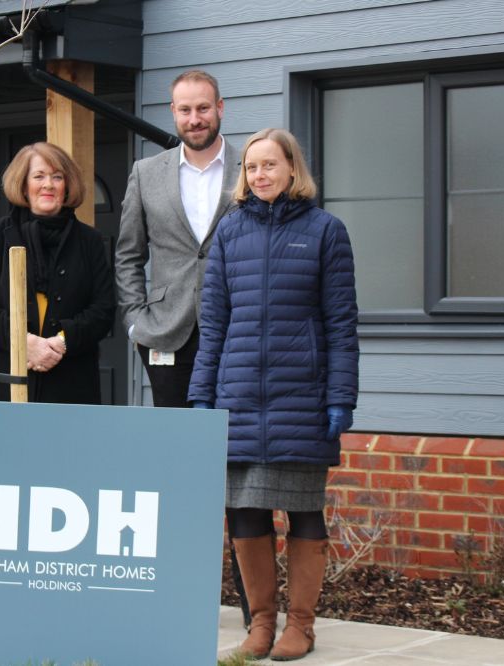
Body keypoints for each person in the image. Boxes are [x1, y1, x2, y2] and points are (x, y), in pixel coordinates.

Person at [188, 128, 359, 661]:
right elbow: (212, 324)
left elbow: (341, 324)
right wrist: (200, 398)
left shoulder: (326, 231)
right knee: (244, 512)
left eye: (270, 165)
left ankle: (301, 626)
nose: (260, 175)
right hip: (237, 396)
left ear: (292, 169)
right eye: (252, 168)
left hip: (301, 397)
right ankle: (261, 623)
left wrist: (340, 397)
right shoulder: (229, 234)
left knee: (304, 512)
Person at [115, 69, 241, 408]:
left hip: (237, 330)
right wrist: (135, 323)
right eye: (185, 110)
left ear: (220, 108)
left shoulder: (248, 169)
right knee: (176, 441)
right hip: (167, 332)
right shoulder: (145, 173)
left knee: (233, 439)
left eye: (203, 108)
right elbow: (128, 254)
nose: (195, 119)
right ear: (173, 112)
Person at [0, 142, 115, 404]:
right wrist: (25, 344)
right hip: (5, 384)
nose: (48, 184)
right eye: (39, 176)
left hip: (71, 387)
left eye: (57, 177)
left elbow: (103, 310)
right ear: (23, 185)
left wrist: (61, 342)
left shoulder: (90, 241)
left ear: (67, 185)